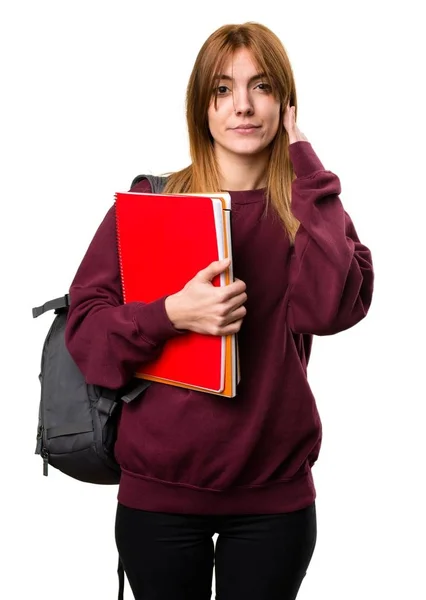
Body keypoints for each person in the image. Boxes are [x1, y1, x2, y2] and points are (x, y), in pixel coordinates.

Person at [65, 21, 374, 600]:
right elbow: (85, 333)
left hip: (273, 499)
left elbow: (330, 308)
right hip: (158, 495)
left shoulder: (310, 211)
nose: (242, 106)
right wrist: (170, 314)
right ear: (201, 107)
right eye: (222, 90)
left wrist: (305, 162)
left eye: (260, 87)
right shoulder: (153, 202)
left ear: (285, 102)